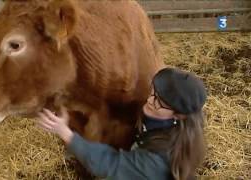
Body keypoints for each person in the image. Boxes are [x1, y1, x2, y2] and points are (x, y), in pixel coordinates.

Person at [36, 67, 207, 180]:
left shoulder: (158, 159)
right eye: (153, 92)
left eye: (158, 102)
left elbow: (110, 164)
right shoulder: (174, 121)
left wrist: (65, 133)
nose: (149, 100)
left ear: (179, 115)